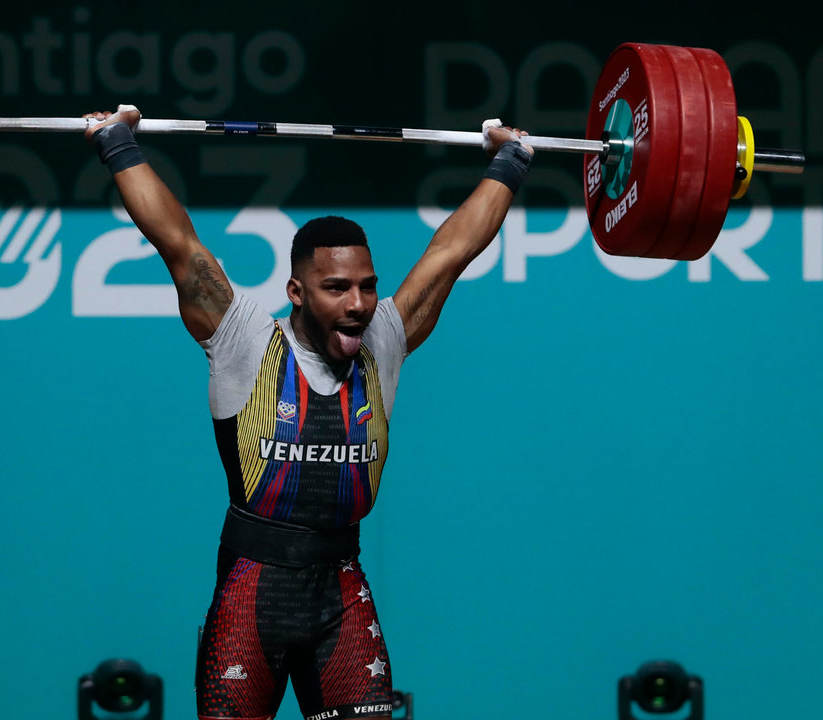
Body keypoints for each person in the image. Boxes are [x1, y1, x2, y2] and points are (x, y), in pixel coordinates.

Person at [83, 105, 532, 720]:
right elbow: (177, 242)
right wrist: (116, 142)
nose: (359, 305)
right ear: (296, 291)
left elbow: (452, 251)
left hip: (341, 594)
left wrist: (511, 159)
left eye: (368, 286)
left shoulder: (384, 342)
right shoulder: (245, 338)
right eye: (337, 289)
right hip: (251, 596)